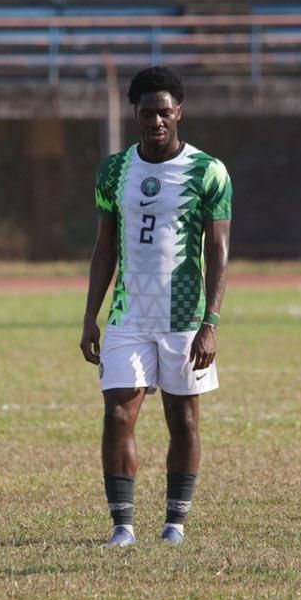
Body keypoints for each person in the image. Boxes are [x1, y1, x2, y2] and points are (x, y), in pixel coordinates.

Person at [79, 66, 232, 548]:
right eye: (147, 113)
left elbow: (219, 250)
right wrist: (91, 315)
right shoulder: (113, 170)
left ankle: (175, 523)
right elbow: (105, 248)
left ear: (179, 112)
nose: (156, 121)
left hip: (185, 319)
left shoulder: (209, 171)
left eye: (165, 112)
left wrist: (211, 322)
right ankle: (122, 527)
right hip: (128, 317)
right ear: (135, 114)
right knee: (118, 416)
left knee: (183, 420)